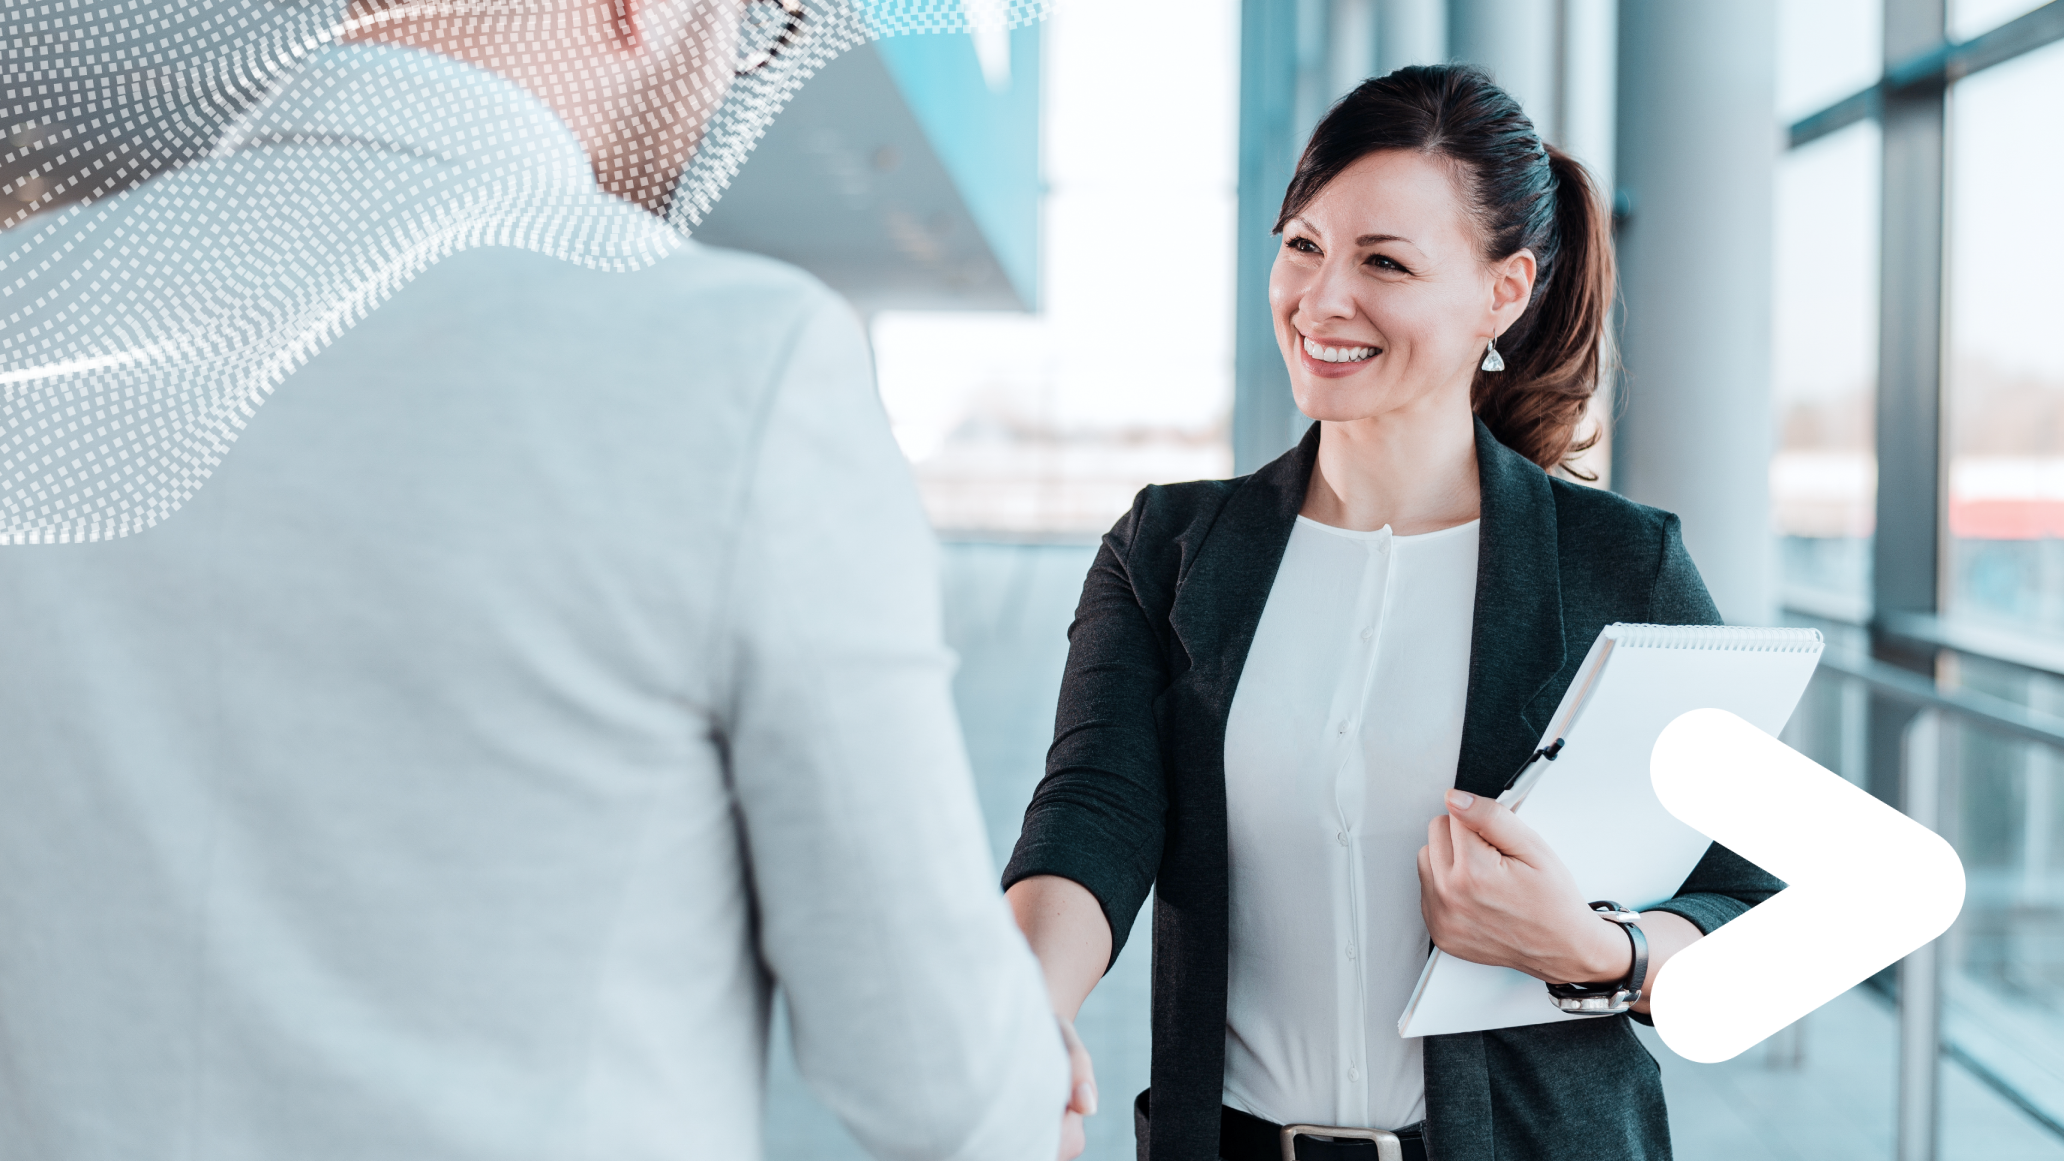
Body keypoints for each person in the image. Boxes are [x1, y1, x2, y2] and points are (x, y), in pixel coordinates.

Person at [0, 1, 1075, 1157]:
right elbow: (939, 1086)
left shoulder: (30, 309)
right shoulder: (737, 364)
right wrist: (1026, 1066)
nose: (725, 84)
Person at [1001, 65, 1782, 1161]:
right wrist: (1024, 1010)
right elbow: (1093, 815)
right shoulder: (1169, 550)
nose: (1323, 299)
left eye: (1385, 263)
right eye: (1304, 246)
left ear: (1503, 293)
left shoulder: (1622, 569)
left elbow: (1761, 909)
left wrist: (1597, 951)